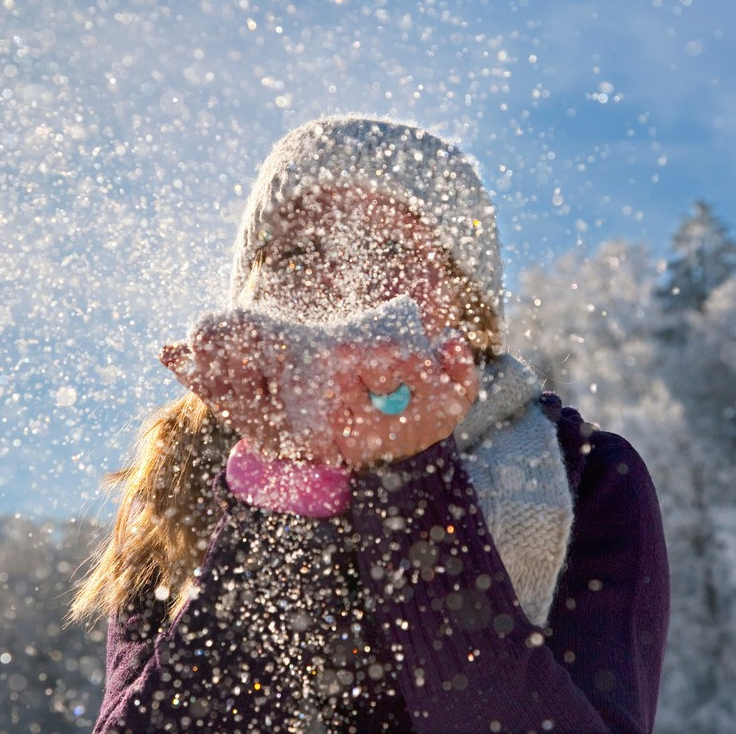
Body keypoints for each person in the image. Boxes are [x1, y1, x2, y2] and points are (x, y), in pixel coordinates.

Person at [72, 117, 669, 732]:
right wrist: (289, 481)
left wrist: (409, 476)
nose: (342, 283)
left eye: (388, 251)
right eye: (300, 253)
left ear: (466, 309)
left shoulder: (587, 474)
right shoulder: (186, 475)